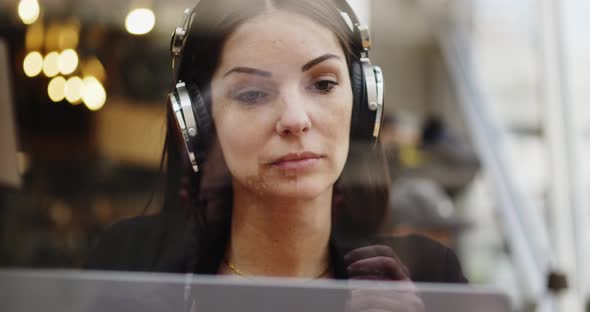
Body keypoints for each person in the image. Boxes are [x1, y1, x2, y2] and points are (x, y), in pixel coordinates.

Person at [85, 0, 466, 290]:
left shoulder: (428, 276)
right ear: (199, 123)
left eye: (323, 84)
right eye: (252, 93)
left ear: (365, 101)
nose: (295, 119)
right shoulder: (130, 264)